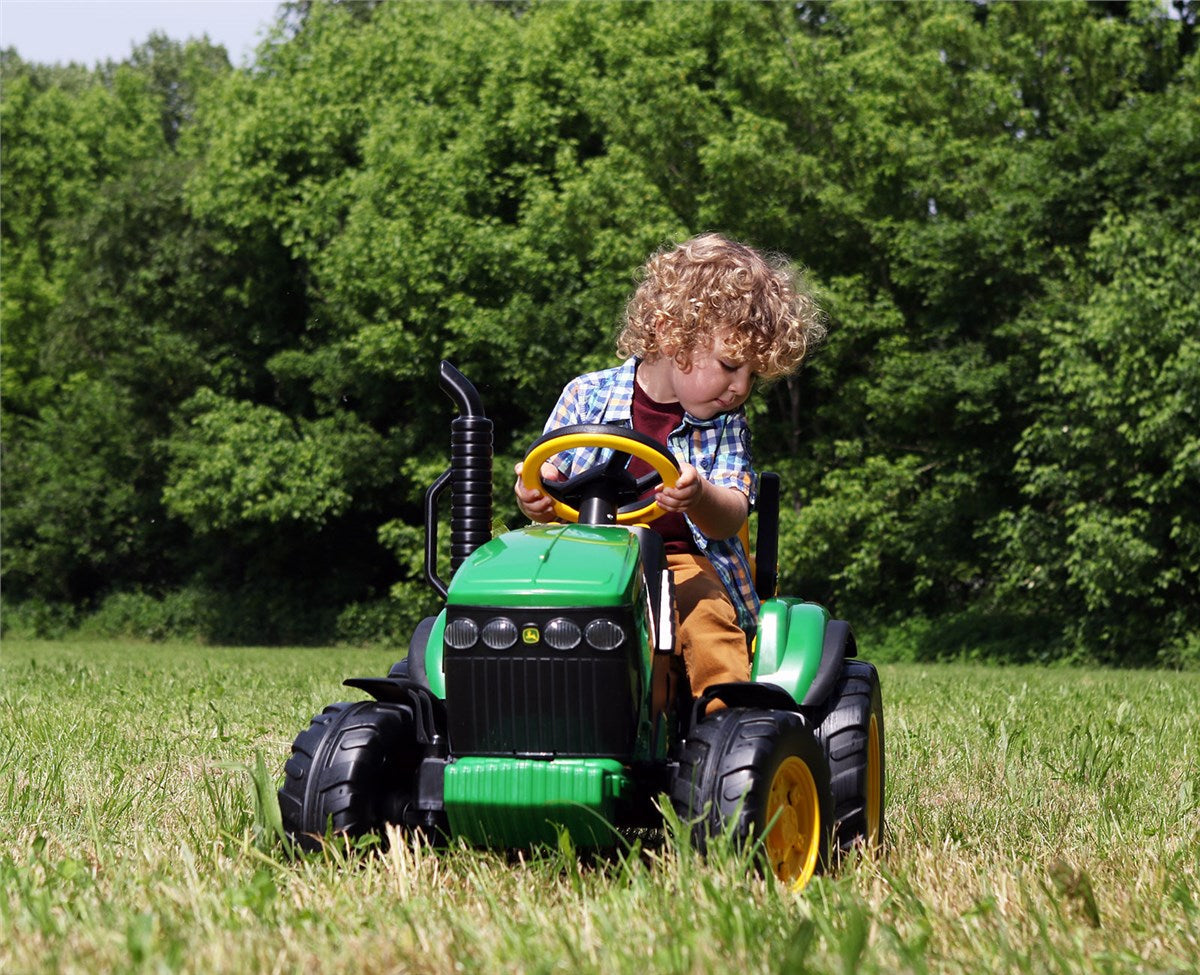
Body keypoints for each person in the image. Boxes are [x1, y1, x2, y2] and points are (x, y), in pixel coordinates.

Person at [515, 233, 825, 704]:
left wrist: (700, 496)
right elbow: (545, 482)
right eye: (729, 364)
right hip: (583, 559)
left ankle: (727, 729)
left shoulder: (725, 425)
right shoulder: (586, 396)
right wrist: (535, 498)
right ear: (669, 332)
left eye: (752, 376)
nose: (739, 387)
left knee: (708, 626)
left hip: (679, 566)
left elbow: (731, 517)